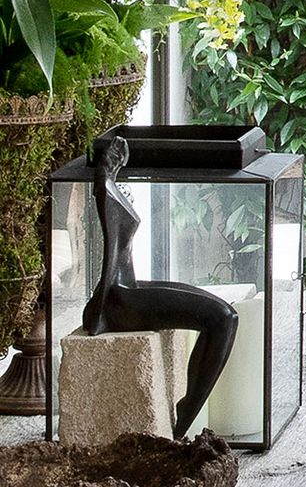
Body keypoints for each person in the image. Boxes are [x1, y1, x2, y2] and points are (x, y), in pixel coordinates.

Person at [84, 132, 238, 440]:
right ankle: (184, 421)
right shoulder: (106, 191)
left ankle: (187, 410)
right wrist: (100, 313)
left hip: (127, 288)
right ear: (107, 162)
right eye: (117, 152)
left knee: (226, 314)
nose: (122, 153)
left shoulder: (113, 188)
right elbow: (110, 253)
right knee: (222, 318)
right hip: (119, 299)